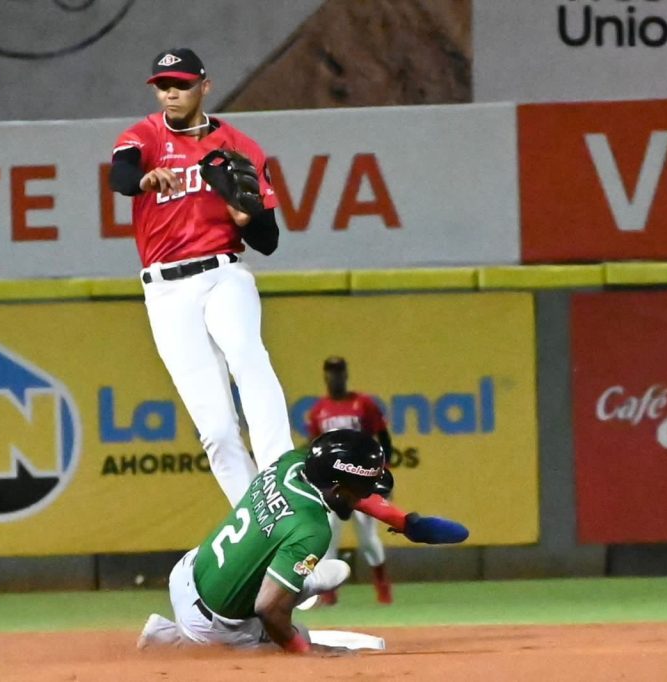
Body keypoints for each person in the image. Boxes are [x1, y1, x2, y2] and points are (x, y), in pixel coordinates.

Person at [109, 48, 292, 506]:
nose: (171, 93)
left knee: (247, 356)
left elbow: (269, 240)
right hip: (166, 291)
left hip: (222, 274)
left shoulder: (239, 146)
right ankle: (264, 520)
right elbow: (121, 174)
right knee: (214, 429)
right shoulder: (144, 137)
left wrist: (247, 217)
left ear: (204, 87)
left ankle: (280, 472)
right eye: (163, 85)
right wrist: (146, 180)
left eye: (182, 84)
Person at [137, 430, 469, 654]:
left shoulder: (291, 463)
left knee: (321, 568)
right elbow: (268, 609)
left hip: (188, 573)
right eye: (363, 490)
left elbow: (340, 489)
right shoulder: (313, 529)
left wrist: (403, 521)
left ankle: (185, 628)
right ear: (339, 490)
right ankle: (172, 639)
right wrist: (303, 654)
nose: (367, 497)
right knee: (303, 637)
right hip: (214, 622)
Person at [306, 356, 394, 606]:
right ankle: (328, 593)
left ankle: (383, 588)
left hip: (361, 480)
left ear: (346, 374)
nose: (335, 377)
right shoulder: (319, 411)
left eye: (339, 371)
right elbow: (316, 448)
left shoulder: (362, 403)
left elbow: (384, 439)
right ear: (325, 376)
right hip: (332, 483)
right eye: (330, 372)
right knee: (328, 537)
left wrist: (381, 473)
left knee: (368, 539)